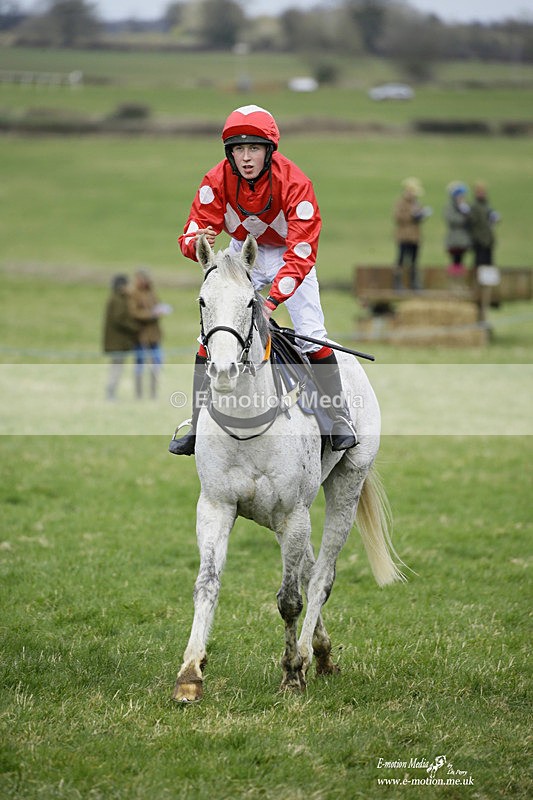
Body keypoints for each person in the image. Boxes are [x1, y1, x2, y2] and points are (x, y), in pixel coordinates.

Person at [169, 103, 357, 456]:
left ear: (269, 150)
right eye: (238, 149)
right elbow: (191, 230)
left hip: (291, 255)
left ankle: (338, 416)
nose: (246, 157)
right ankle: (195, 425)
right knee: (209, 336)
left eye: (254, 148)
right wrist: (194, 244)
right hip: (245, 254)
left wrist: (270, 303)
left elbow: (302, 253)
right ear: (230, 153)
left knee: (312, 335)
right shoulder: (216, 179)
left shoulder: (296, 181)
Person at [128, 268, 171, 399]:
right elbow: (133, 313)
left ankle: (153, 393)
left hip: (154, 335)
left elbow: (156, 305)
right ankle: (139, 394)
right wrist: (151, 314)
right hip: (141, 335)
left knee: (157, 365)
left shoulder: (151, 292)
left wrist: (159, 311)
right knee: (140, 366)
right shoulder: (133, 294)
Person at [102, 274, 140, 401]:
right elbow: (120, 319)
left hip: (118, 342)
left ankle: (112, 393)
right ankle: (110, 394)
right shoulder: (117, 300)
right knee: (116, 369)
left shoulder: (118, 298)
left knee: (117, 368)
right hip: (117, 343)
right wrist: (135, 327)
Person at [393, 177, 432, 291]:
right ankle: (398, 284)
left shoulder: (417, 203)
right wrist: (412, 215)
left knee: (414, 261)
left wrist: (421, 215)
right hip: (403, 236)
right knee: (401, 260)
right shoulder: (400, 202)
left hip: (415, 237)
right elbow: (397, 217)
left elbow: (418, 219)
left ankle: (414, 284)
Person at [469, 181, 500, 271]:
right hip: (479, 239)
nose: (482, 194)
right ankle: (478, 283)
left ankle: (487, 283)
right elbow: (473, 221)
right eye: (479, 192)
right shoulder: (474, 206)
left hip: (488, 239)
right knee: (479, 262)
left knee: (489, 262)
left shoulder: (487, 205)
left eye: (483, 192)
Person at [444, 181, 471, 275]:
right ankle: (454, 278)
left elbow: (471, 219)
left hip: (463, 239)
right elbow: (451, 219)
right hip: (454, 238)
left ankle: (460, 278)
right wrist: (463, 216)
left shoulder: (466, 206)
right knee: (454, 259)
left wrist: (466, 212)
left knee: (461, 260)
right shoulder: (450, 206)